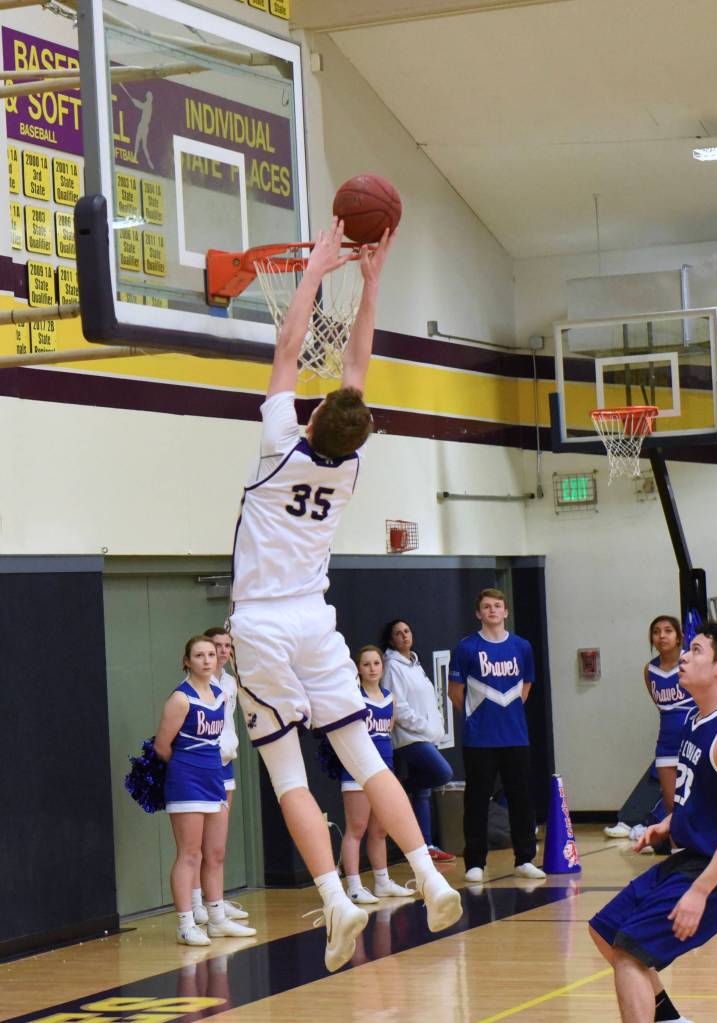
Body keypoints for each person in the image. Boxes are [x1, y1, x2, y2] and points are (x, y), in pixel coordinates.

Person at [229, 218, 462, 973]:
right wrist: (370, 281)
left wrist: (317, 270)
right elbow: (356, 369)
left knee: (286, 769)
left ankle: (335, 898)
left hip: (263, 623)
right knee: (365, 756)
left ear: (314, 419)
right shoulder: (348, 469)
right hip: (316, 622)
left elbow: (291, 347)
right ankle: (425, 873)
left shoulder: (280, 445)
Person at [589, 619, 717, 1023]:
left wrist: (701, 892)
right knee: (605, 931)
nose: (683, 656)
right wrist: (667, 824)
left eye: (697, 650)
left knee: (630, 952)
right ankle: (671, 1020)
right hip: (685, 861)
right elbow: (697, 795)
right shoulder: (693, 720)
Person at [154, 636, 257, 946]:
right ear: (187, 661)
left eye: (211, 654)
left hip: (215, 779)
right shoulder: (180, 699)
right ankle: (185, 924)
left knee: (215, 853)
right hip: (186, 781)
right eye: (199, 655)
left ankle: (216, 919)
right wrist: (186, 769)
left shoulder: (220, 694)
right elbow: (162, 746)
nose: (207, 660)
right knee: (189, 854)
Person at [448, 588, 545, 882]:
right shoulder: (465, 648)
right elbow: (456, 693)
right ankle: (475, 862)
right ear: (478, 613)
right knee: (476, 801)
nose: (492, 610)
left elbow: (526, 686)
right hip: (479, 740)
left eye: (498, 606)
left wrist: (507, 714)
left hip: (515, 737)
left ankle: (525, 858)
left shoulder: (522, 647)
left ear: (506, 612)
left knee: (521, 799)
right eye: (487, 606)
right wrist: (480, 716)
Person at [605, 615, 694, 841]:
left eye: (668, 631)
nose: (662, 635)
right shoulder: (649, 670)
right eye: (656, 631)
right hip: (665, 743)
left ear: (678, 637)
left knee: (693, 800)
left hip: (692, 740)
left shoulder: (690, 662)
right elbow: (660, 706)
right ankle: (677, 852)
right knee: (671, 805)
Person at [341, 646, 414, 904]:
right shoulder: (354, 697)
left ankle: (382, 881)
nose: (372, 668)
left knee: (380, 829)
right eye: (366, 664)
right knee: (356, 828)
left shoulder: (389, 698)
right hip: (357, 770)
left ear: (382, 667)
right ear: (358, 669)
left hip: (384, 769)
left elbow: (388, 732)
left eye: (376, 663)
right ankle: (353, 885)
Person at [189, 628, 251, 927]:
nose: (222, 651)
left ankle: (215, 899)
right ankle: (195, 902)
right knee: (196, 843)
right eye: (216, 646)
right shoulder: (193, 687)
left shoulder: (230, 682)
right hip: (202, 764)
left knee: (216, 844)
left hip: (226, 765)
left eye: (227, 646)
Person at [381, 619, 455, 862]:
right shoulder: (392, 666)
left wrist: (438, 725)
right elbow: (398, 706)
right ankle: (395, 793)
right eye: (398, 634)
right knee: (443, 773)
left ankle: (425, 846)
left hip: (427, 735)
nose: (404, 636)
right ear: (391, 640)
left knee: (423, 793)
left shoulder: (415, 663)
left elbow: (430, 701)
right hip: (410, 738)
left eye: (407, 631)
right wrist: (423, 727)